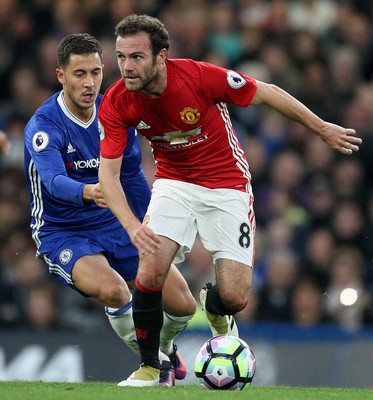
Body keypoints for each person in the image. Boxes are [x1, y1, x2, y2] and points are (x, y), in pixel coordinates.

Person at [97, 14, 362, 386]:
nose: (127, 66)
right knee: (150, 270)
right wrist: (131, 225)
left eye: (137, 57)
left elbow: (267, 91)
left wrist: (321, 128)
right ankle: (150, 367)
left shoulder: (200, 77)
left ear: (161, 56)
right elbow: (106, 174)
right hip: (173, 183)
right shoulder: (117, 100)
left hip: (227, 184)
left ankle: (216, 304)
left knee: (235, 297)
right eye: (122, 56)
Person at [23, 33, 196, 387]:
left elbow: (131, 175)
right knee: (115, 290)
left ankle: (164, 347)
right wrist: (89, 190)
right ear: (60, 75)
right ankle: (155, 363)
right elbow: (54, 182)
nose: (89, 83)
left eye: (96, 73)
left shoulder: (115, 112)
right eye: (79, 74)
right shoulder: (44, 126)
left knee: (183, 306)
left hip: (114, 221)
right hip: (61, 230)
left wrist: (152, 224)